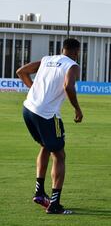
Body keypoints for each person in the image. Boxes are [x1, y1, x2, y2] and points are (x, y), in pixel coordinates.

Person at [16, 38, 83, 214]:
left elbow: (21, 72)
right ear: (76, 52)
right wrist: (77, 109)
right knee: (59, 155)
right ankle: (54, 205)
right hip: (47, 115)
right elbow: (69, 86)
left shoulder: (46, 59)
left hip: (28, 109)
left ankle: (39, 192)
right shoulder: (72, 65)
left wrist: (33, 91)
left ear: (62, 49)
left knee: (45, 146)